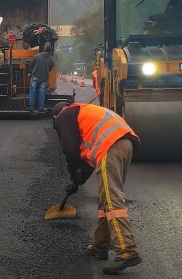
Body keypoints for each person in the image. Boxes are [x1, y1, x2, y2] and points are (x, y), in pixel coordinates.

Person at [52, 102, 142, 275]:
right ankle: (100, 246)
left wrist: (73, 174)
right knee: (105, 198)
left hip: (111, 146)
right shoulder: (82, 113)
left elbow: (70, 150)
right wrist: (77, 181)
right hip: (125, 143)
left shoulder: (63, 116)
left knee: (112, 199)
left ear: (56, 115)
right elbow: (86, 161)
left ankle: (127, 251)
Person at [27, 45, 54, 113]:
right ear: (50, 51)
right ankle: (41, 107)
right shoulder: (51, 59)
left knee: (33, 91)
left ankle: (31, 107)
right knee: (42, 92)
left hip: (35, 76)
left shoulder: (37, 56)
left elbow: (31, 63)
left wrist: (31, 71)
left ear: (44, 49)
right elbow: (50, 69)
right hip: (44, 78)